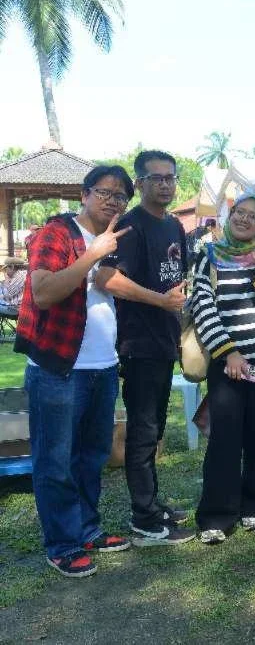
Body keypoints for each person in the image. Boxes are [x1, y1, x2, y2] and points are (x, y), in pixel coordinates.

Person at [15, 166, 135, 577]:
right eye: (105, 192)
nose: (113, 201)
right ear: (85, 194)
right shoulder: (56, 233)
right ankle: (62, 544)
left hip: (102, 367)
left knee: (91, 457)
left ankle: (86, 529)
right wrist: (92, 255)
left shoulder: (110, 240)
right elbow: (44, 292)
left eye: (121, 196)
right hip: (58, 368)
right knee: (55, 460)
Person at [96, 150, 192, 546]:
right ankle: (145, 518)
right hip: (137, 343)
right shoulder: (130, 226)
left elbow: (178, 280)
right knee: (142, 430)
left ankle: (152, 503)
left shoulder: (174, 226)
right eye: (156, 178)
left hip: (165, 340)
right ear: (140, 184)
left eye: (170, 177)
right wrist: (160, 300)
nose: (165, 184)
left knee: (153, 431)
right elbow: (107, 278)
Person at [190, 194, 255, 544]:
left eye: (253, 216)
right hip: (228, 361)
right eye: (239, 213)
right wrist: (228, 352)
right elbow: (203, 308)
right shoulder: (208, 257)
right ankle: (217, 514)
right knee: (225, 438)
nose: (244, 219)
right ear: (228, 216)